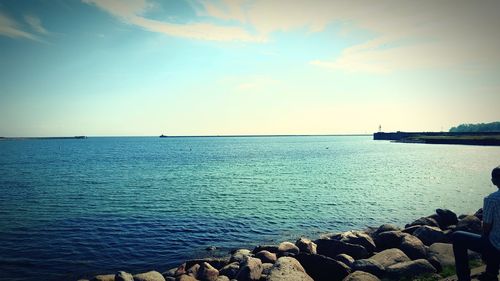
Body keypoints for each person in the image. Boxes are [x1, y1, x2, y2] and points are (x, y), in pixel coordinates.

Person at [452, 166, 500, 281]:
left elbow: (487, 227)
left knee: (457, 236)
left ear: (493, 181)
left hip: (496, 246)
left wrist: (485, 250)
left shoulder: (491, 199)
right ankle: (491, 273)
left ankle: (463, 277)